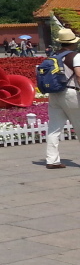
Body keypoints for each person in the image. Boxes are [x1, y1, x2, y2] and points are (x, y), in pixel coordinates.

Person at [46, 28, 80, 169]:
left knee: (54, 128)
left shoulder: (54, 56)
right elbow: (78, 74)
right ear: (73, 43)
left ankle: (52, 160)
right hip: (71, 93)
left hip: (54, 94)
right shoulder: (75, 56)